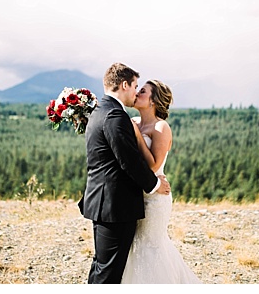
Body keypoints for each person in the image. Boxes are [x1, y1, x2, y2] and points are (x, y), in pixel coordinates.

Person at [79, 63, 170, 284]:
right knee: (108, 272)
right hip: (115, 206)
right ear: (124, 84)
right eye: (135, 86)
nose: (136, 92)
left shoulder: (102, 110)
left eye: (141, 89)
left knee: (102, 266)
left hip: (107, 202)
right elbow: (128, 161)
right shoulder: (115, 116)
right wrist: (156, 185)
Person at [121, 79, 202, 284]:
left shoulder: (160, 127)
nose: (137, 93)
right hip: (133, 196)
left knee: (151, 247)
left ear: (153, 100)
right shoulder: (134, 121)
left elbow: (154, 166)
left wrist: (138, 136)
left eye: (143, 91)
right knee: (134, 248)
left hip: (155, 197)